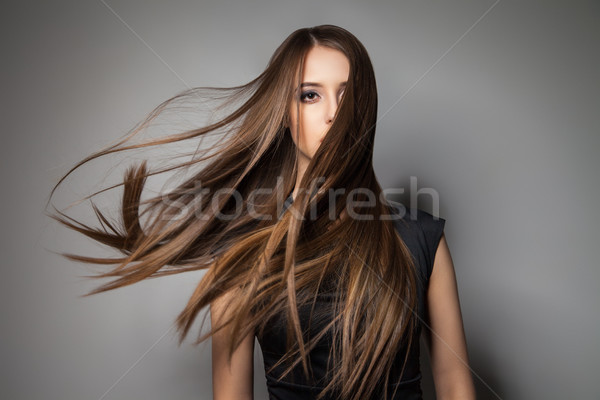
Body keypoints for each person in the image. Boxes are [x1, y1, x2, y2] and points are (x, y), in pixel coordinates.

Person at [48, 25, 475, 400]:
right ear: (286, 116)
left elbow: (456, 386)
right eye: (310, 95)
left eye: (348, 96)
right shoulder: (240, 250)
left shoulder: (422, 238)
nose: (333, 115)